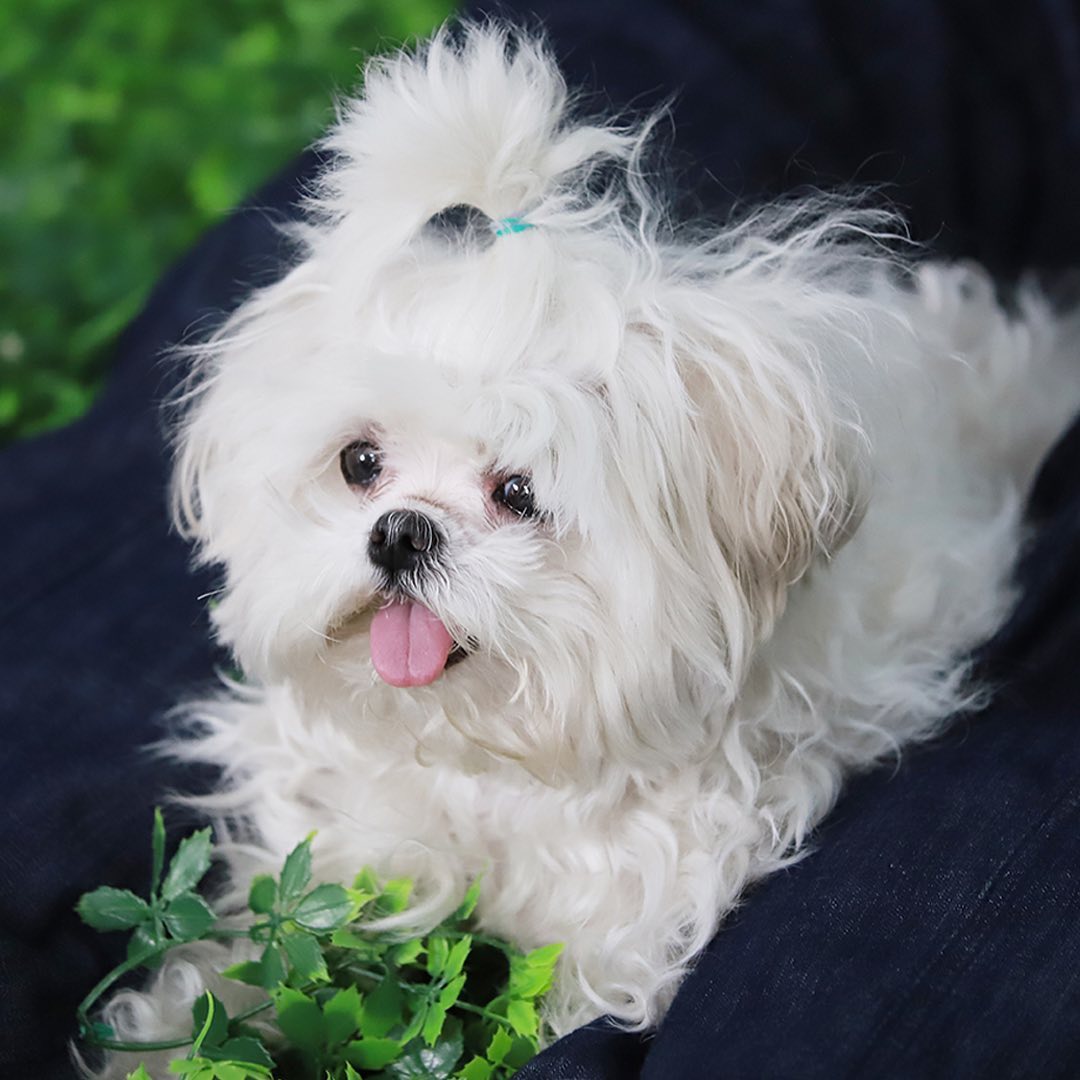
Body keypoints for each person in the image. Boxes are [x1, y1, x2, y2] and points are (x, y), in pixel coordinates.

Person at [3, 2, 1079, 1075]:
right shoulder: (308, 749)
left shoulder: (710, 805)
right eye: (364, 468)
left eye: (515, 492)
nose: (400, 527)